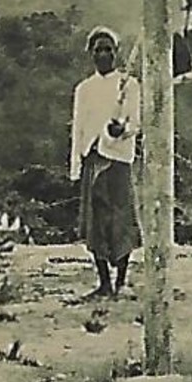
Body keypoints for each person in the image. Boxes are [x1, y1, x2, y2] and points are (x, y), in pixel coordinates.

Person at [70, 27, 142, 297]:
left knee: (120, 218)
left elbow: (136, 121)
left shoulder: (129, 84)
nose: (103, 55)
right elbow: (78, 127)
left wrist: (120, 129)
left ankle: (121, 280)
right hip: (92, 157)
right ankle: (104, 282)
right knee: (95, 222)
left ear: (116, 53)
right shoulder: (84, 89)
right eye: (98, 50)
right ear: (91, 54)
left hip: (118, 158)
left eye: (108, 50)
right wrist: (76, 164)